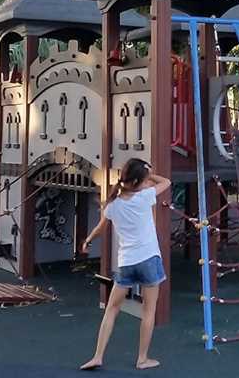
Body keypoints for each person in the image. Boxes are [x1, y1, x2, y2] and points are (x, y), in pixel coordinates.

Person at [79, 158, 171, 371]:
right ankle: (142, 359)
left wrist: (88, 240)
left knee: (111, 309)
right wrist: (151, 174)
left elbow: (101, 228)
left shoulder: (113, 204)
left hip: (126, 263)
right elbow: (166, 182)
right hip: (148, 259)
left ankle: (98, 356)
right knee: (149, 312)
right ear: (140, 180)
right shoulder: (145, 197)